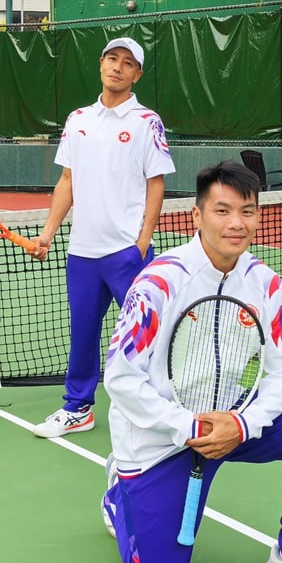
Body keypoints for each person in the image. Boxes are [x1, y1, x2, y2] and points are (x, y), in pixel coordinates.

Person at [100, 161, 282, 563]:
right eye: (222, 210)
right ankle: (120, 496)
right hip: (164, 439)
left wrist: (242, 423)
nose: (236, 223)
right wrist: (188, 427)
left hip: (233, 423)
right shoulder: (158, 282)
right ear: (195, 216)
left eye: (247, 211)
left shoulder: (265, 284)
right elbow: (120, 378)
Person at [30, 37, 176, 439]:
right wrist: (47, 234)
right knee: (83, 333)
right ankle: (77, 408)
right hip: (81, 253)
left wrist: (142, 242)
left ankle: (158, 404)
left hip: (126, 252)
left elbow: (156, 183)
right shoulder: (77, 119)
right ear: (101, 64)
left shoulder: (147, 121)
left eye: (127, 63)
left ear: (137, 74)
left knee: (147, 331)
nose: (117, 67)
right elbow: (67, 181)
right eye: (112, 59)